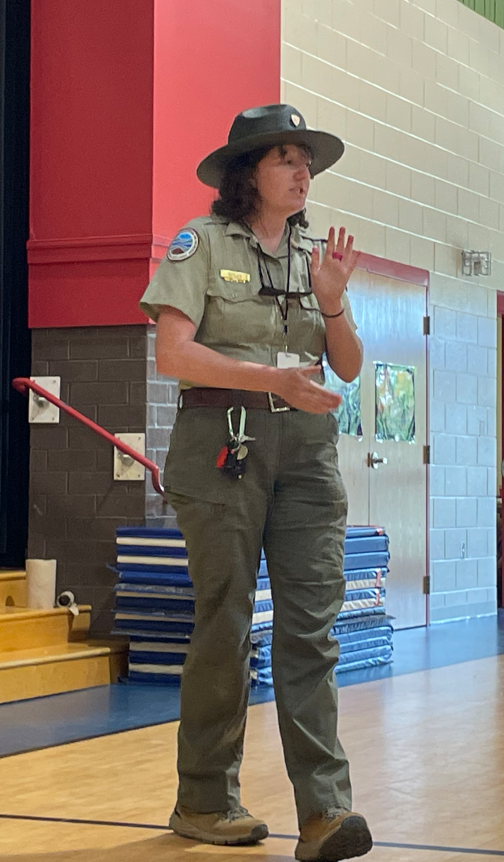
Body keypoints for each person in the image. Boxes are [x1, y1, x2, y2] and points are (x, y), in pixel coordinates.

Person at [139, 103, 372, 862]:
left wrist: (332, 301)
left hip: (306, 456)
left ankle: (326, 814)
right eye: (286, 159)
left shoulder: (317, 256)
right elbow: (174, 355)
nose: (304, 172)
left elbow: (347, 366)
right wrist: (266, 375)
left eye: (308, 161)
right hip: (222, 447)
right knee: (225, 624)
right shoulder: (199, 245)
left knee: (312, 632)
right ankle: (204, 800)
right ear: (249, 173)